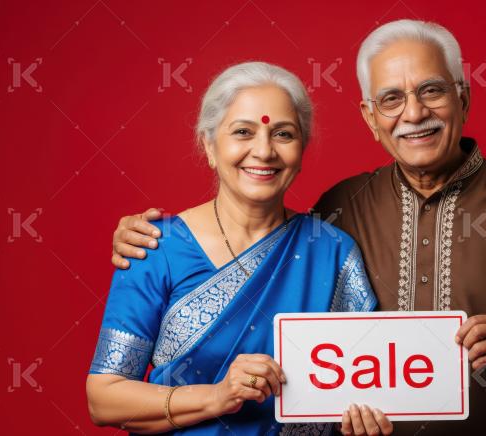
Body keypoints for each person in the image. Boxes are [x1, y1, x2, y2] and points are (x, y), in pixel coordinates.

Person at [110, 20, 486, 435]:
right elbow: (265, 242)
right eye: (391, 100)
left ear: (464, 98)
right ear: (370, 118)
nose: (414, 113)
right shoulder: (342, 207)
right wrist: (149, 236)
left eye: (432, 91)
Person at [86, 61, 393, 436]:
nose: (263, 151)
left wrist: (364, 420)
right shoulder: (155, 246)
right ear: (209, 145)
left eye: (283, 134)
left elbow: (363, 386)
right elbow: (104, 399)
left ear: (302, 149)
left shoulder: (332, 252)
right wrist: (216, 397)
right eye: (243, 132)